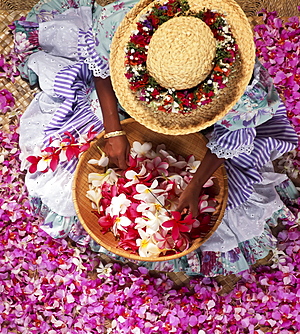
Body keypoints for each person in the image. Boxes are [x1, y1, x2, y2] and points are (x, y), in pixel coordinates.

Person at [13, 0, 298, 277]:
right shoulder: (131, 27)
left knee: (231, 186)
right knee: (85, 137)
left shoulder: (240, 88)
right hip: (133, 99)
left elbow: (232, 136)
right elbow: (100, 67)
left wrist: (195, 184)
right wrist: (113, 129)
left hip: (203, 123)